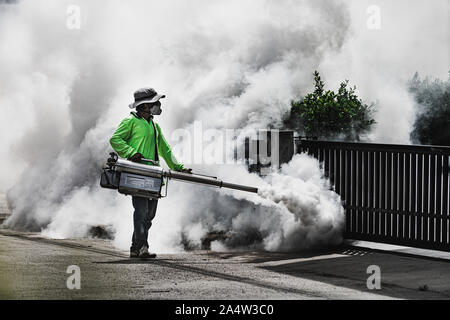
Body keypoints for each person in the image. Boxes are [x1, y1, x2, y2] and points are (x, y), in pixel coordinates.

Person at [110, 87, 192, 259]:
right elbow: (115, 139)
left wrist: (179, 167)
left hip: (154, 175)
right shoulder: (130, 122)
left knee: (150, 215)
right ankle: (142, 247)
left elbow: (165, 149)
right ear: (145, 106)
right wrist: (131, 153)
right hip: (138, 175)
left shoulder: (154, 125)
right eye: (155, 102)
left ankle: (135, 247)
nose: (158, 105)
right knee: (141, 212)